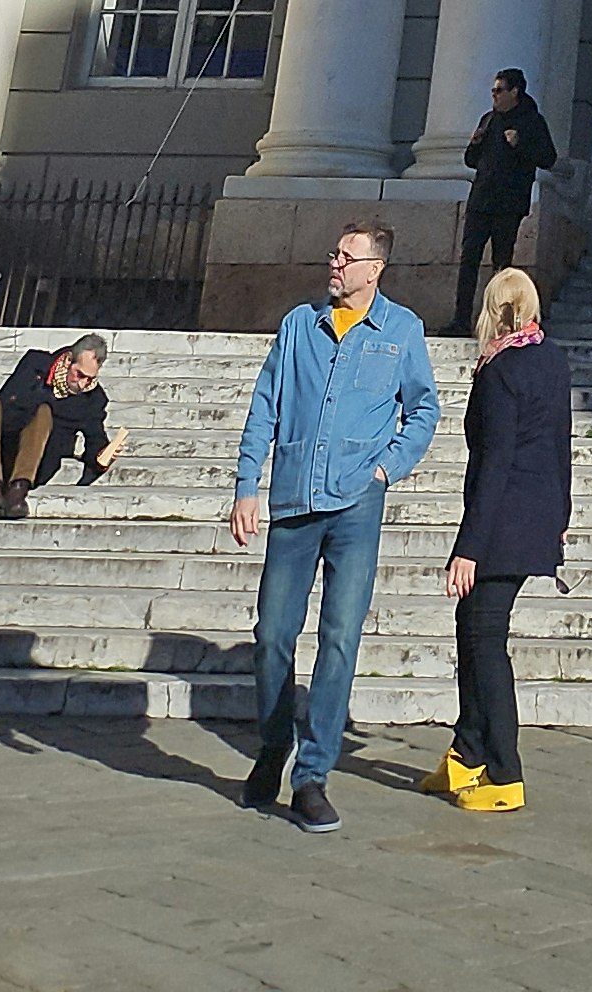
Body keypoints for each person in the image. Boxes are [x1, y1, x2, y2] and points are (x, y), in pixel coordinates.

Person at [231, 217, 439, 834]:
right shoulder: (300, 324)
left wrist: (386, 468)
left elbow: (423, 408)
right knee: (272, 633)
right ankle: (273, 745)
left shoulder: (401, 330)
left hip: (355, 506)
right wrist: (248, 484)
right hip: (294, 501)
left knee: (340, 638)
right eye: (334, 255)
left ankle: (313, 773)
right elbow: (264, 401)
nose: (336, 265)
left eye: (348, 258)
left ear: (375, 269)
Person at [429, 266, 572, 816]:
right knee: (473, 629)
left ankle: (505, 771)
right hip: (535, 513)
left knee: (486, 639)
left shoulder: (499, 371)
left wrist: (468, 547)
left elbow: (495, 462)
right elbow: (562, 438)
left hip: (502, 521)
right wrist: (562, 510)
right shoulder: (551, 358)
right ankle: (467, 751)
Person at [0, 336, 126, 512]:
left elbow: (95, 439)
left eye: (90, 379)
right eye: (79, 375)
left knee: (44, 413)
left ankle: (18, 491)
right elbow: (7, 403)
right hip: (4, 442)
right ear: (68, 360)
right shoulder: (35, 364)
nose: (82, 384)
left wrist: (103, 456)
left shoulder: (93, 399)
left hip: (37, 458)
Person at [453, 69, 559, 326]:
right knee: (469, 259)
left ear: (515, 92)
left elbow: (548, 158)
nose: (494, 95)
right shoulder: (489, 120)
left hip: (508, 205)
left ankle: (498, 322)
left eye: (499, 90)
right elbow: (471, 161)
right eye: (493, 91)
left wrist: (520, 144)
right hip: (481, 200)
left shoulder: (532, 121)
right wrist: (475, 143)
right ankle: (461, 319)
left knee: (502, 265)